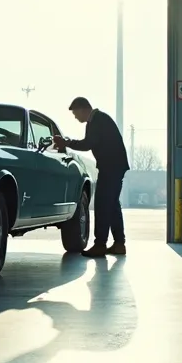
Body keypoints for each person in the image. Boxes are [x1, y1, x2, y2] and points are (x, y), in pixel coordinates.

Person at [53, 97, 129, 257]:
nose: (75, 117)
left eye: (75, 114)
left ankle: (100, 244)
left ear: (82, 109)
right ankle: (119, 243)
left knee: (102, 204)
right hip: (116, 166)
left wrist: (67, 143)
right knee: (113, 205)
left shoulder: (96, 120)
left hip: (110, 167)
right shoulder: (101, 118)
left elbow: (88, 144)